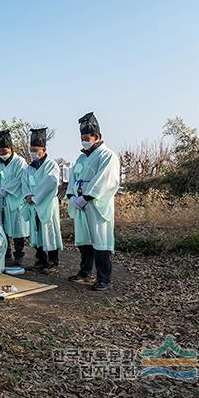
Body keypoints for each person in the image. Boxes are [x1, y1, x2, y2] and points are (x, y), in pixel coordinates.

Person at [66, 112, 120, 291]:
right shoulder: (81, 157)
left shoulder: (108, 156)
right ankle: (85, 271)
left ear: (97, 137)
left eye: (86, 138)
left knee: (100, 240)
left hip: (96, 205)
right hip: (81, 204)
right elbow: (73, 177)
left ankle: (104, 278)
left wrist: (86, 197)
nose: (84, 141)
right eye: (82, 138)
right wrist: (72, 196)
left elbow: (106, 180)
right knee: (84, 239)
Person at [0, 130, 29, 270]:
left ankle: (19, 256)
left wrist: (6, 189)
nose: (3, 154)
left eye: (5, 151)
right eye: (1, 152)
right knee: (1, 229)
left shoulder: (19, 162)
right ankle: (6, 254)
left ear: (11, 148)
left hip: (14, 201)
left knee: (17, 229)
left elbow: (20, 179)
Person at [21, 127, 63, 273]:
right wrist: (27, 196)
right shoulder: (29, 168)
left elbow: (50, 184)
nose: (32, 153)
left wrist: (35, 197)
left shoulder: (51, 165)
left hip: (47, 204)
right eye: (31, 149)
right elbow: (24, 183)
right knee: (36, 232)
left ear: (43, 149)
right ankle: (40, 260)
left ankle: (53, 262)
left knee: (49, 232)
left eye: (35, 150)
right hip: (33, 205)